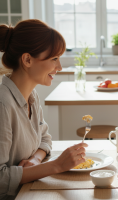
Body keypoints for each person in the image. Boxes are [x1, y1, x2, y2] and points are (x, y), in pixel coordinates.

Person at [0, 19, 87, 200]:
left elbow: (45, 138)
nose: (60, 67)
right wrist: (56, 165)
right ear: (27, 59)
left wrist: (36, 160)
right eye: (54, 59)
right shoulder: (3, 105)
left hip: (29, 191)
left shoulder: (31, 96)